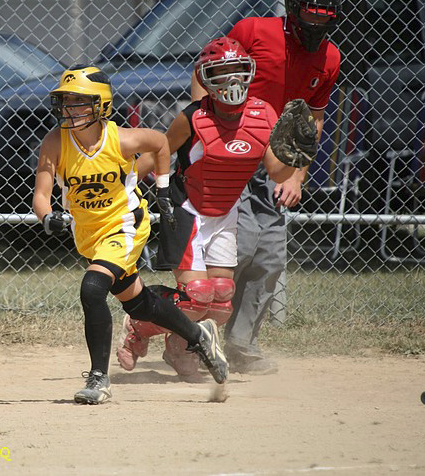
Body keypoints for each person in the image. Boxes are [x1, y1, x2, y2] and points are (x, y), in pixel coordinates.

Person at [32, 64, 228, 405]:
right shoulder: (55, 141)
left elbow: (161, 143)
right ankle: (198, 334)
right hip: (89, 234)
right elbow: (41, 193)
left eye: (79, 102)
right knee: (139, 304)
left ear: (101, 106)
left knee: (92, 289)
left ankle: (98, 378)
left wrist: (163, 192)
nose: (69, 109)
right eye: (66, 102)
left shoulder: (121, 139)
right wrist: (48, 217)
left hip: (125, 225)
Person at [116, 37, 299, 380]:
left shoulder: (264, 114)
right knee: (197, 296)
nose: (231, 79)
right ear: (206, 78)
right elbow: (160, 151)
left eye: (238, 71)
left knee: (220, 300)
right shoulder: (193, 117)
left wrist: (296, 153)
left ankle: (178, 348)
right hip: (188, 209)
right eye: (221, 72)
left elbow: (277, 171)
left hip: (225, 213)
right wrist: (123, 189)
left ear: (249, 73)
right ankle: (138, 326)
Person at [195, 0, 342, 374]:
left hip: (276, 160)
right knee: (238, 249)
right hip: (230, 150)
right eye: (310, 14)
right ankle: (193, 338)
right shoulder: (254, 30)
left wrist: (298, 174)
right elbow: (203, 72)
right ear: (293, 9)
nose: (316, 23)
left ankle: (242, 345)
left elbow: (312, 121)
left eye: (325, 16)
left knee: (271, 256)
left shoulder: (329, 57)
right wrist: (201, 127)